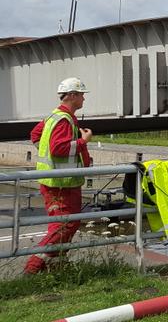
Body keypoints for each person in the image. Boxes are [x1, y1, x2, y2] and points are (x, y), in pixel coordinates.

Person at [24, 77, 94, 275]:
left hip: (56, 181)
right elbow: (59, 148)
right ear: (72, 95)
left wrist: (49, 159)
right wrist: (83, 142)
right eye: (81, 95)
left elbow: (36, 136)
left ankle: (56, 266)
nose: (83, 99)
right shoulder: (63, 119)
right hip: (62, 183)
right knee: (65, 225)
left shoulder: (53, 116)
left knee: (63, 225)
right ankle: (34, 265)